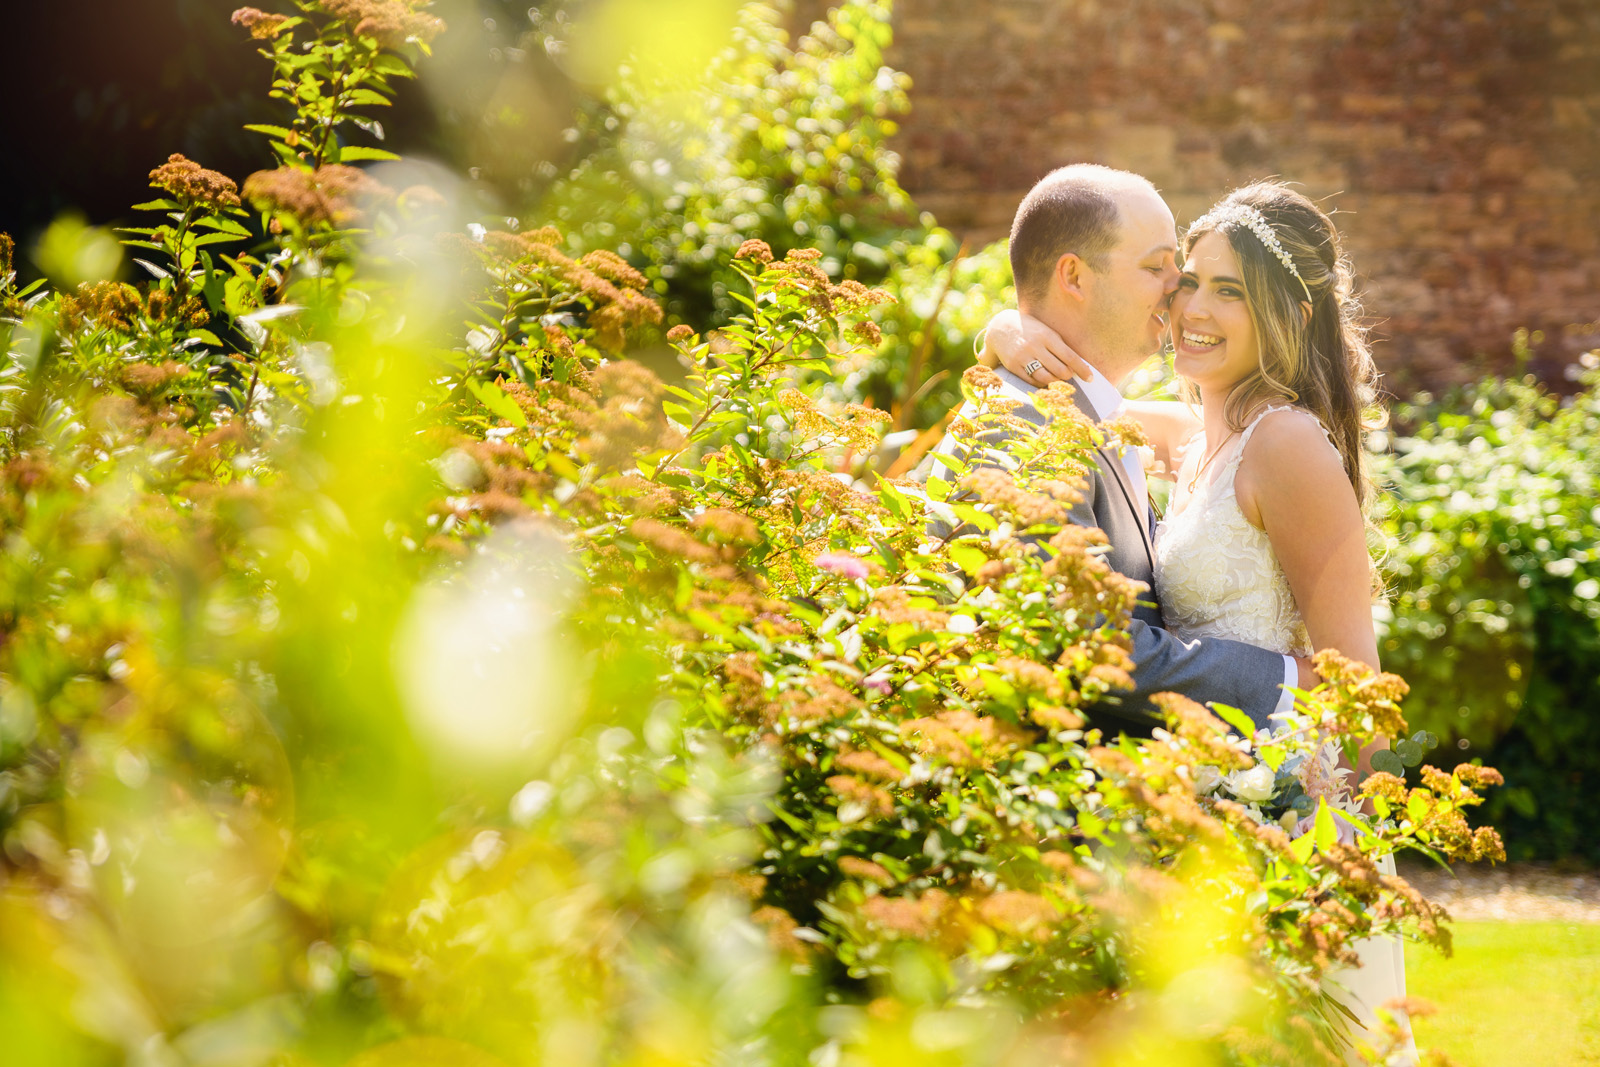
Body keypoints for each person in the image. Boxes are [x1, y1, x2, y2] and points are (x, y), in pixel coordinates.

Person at [986, 178, 1413, 1064]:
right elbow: (1070, 392)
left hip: (1288, 823)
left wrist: (1346, 874)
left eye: (1230, 290)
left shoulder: (1289, 444)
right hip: (1189, 818)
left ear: (1287, 314)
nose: (1192, 309)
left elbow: (1360, 695)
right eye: (1185, 282)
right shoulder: (1189, 436)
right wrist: (1006, 329)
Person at [929, 164, 1317, 738]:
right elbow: (1077, 641)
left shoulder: (1098, 416)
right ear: (1075, 277)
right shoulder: (1023, 426)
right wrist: (1285, 684)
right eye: (1156, 265)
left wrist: (1002, 328)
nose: (1178, 286)